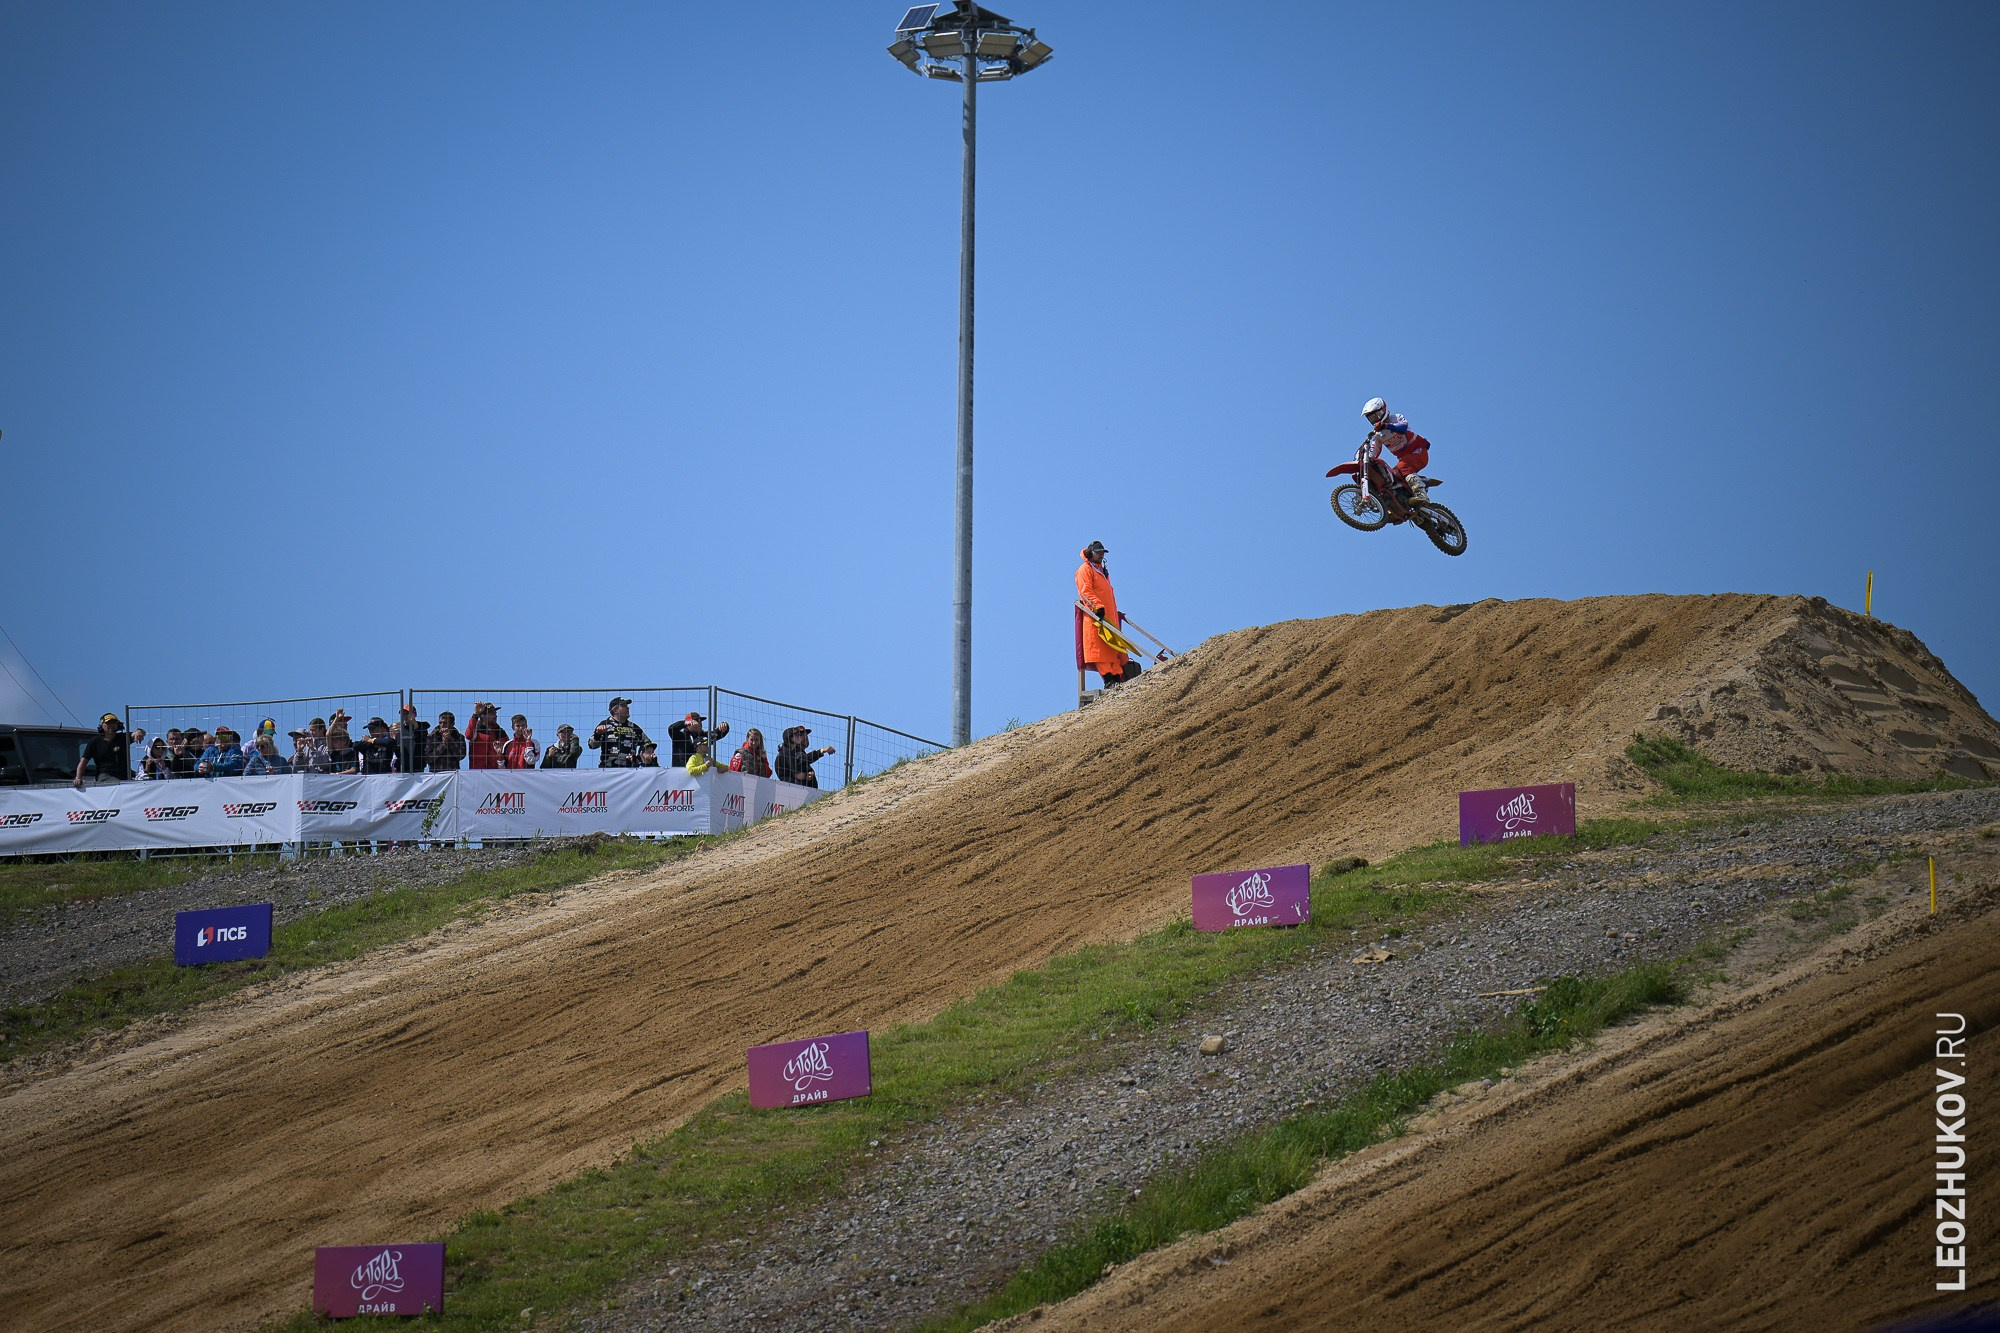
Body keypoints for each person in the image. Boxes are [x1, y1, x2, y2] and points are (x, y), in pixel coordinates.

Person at [1075, 540, 1141, 688]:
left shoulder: (1102, 571)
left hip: (1109, 617)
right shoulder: (1085, 570)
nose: (1100, 555)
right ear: (1090, 553)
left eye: (1102, 553)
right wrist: (1097, 607)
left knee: (1113, 648)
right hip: (1095, 617)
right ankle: (1109, 679)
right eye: (1098, 552)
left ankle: (1118, 677)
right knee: (1100, 650)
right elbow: (1085, 591)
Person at [1360, 397, 1434, 501]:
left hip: (1418, 451)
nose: (1375, 419)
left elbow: (1402, 428)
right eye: (1371, 418)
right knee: (1391, 476)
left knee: (1402, 466)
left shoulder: (1396, 418)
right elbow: (1374, 451)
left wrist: (1386, 426)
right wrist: (1365, 458)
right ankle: (1399, 502)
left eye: (1376, 415)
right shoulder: (1377, 435)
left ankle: (1421, 494)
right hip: (1405, 458)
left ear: (1383, 410)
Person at [73, 712, 146, 787]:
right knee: (120, 785)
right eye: (108, 723)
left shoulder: (123, 738)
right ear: (102, 725)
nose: (111, 725)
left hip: (124, 777)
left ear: (118, 725)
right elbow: (83, 762)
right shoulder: (95, 741)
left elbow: (138, 733)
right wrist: (78, 778)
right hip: (104, 776)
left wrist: (139, 732)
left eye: (114, 723)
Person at [589, 696, 653, 768]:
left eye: (627, 706)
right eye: (623, 706)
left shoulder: (634, 727)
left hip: (631, 770)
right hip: (608, 770)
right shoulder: (605, 724)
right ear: (615, 710)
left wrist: (642, 756)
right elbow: (592, 745)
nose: (628, 708)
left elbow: (648, 743)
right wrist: (598, 734)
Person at [465, 702, 507, 770]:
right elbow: (469, 735)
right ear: (483, 716)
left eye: (495, 713)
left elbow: (507, 752)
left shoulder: (500, 732)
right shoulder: (476, 730)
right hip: (478, 773)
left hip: (496, 773)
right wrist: (475, 714)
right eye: (492, 714)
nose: (495, 716)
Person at [390, 704, 429, 774]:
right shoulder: (400, 731)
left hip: (417, 766)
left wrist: (415, 725)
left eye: (407, 713)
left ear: (415, 714)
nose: (405, 716)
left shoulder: (423, 727)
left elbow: (422, 742)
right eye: (403, 714)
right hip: (402, 767)